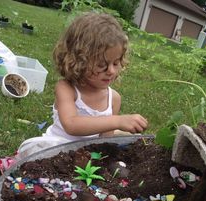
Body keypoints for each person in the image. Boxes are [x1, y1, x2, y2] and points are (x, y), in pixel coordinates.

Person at [17, 12, 148, 159]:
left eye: (116, 63)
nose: (111, 71)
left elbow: (104, 142)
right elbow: (72, 124)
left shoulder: (114, 99)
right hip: (55, 151)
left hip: (85, 157)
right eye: (101, 64)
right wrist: (117, 121)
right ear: (79, 61)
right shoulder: (67, 88)